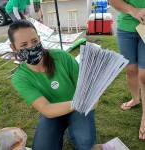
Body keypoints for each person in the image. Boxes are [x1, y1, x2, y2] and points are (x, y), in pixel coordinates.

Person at [8, 20, 96, 150]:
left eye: (34, 41)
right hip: (56, 112)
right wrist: (81, 102)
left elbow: (85, 86)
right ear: (14, 48)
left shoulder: (62, 57)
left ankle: (73, 129)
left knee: (86, 144)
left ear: (39, 39)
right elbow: (47, 109)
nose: (31, 47)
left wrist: (93, 97)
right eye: (24, 44)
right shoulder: (19, 78)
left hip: (79, 109)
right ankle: (67, 129)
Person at [110, 0, 145, 140]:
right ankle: (135, 99)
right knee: (130, 70)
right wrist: (133, 10)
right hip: (125, 28)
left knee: (144, 75)